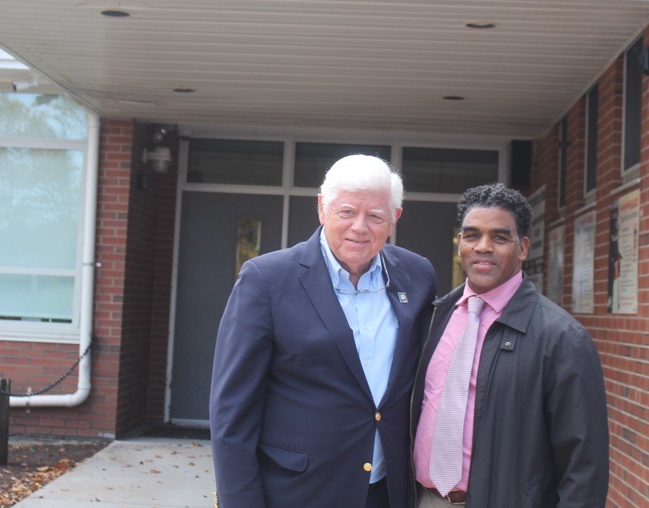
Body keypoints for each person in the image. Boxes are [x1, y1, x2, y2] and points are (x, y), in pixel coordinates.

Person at [210, 154, 438, 508]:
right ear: (322, 208)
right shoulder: (266, 280)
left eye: (375, 216)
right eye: (346, 211)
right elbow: (232, 413)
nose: (360, 227)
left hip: (387, 491)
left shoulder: (417, 275)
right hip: (297, 492)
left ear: (394, 219)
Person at [413, 182, 609, 507]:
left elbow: (584, 465)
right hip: (426, 500)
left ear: (522, 248)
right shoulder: (433, 318)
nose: (483, 246)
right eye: (472, 235)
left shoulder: (561, 338)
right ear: (460, 242)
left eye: (499, 237)